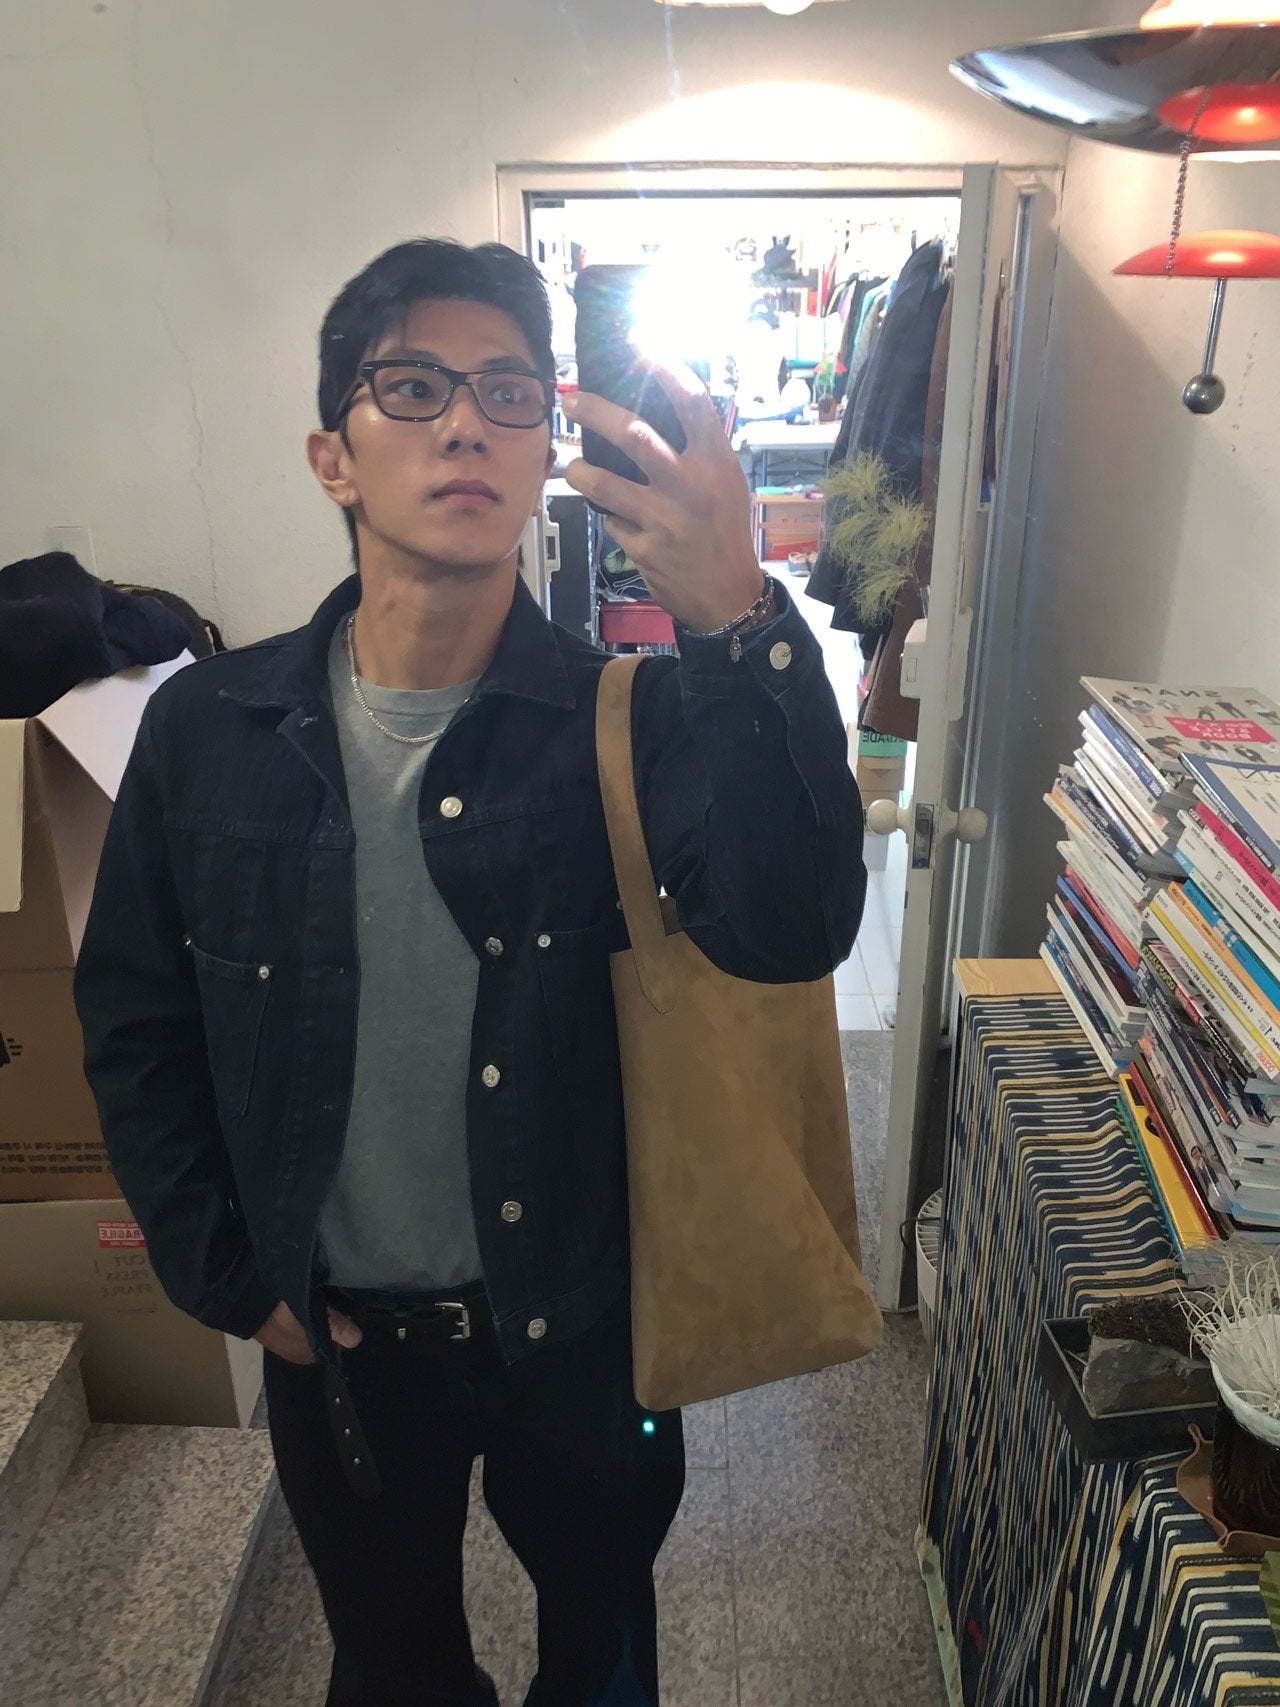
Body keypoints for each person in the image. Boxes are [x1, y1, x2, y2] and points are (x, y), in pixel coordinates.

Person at [73, 238, 865, 1707]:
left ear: (543, 446)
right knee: (393, 1672)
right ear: (333, 457)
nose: (465, 424)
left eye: (508, 392)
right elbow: (134, 1016)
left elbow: (794, 927)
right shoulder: (210, 732)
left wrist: (740, 622)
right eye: (412, 387)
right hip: (341, 1341)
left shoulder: (632, 719)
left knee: (602, 1655)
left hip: (586, 1330)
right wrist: (224, 1272)